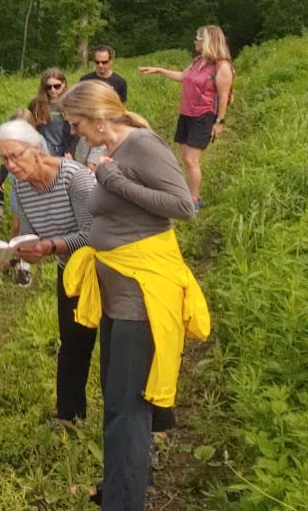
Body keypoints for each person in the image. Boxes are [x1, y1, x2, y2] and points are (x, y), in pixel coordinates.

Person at [56, 81, 210, 511]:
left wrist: (111, 178)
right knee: (117, 399)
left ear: (100, 117)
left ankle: (124, 502)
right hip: (116, 294)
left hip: (141, 297)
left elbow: (182, 206)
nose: (76, 133)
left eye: (77, 124)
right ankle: (119, 486)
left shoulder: (141, 146)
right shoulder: (113, 149)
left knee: (128, 408)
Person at [0, 119, 97, 422]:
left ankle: (143, 427)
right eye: (3, 158)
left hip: (107, 270)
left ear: (37, 149)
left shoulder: (75, 178)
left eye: (16, 155)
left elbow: (94, 233)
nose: (10, 165)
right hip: (71, 270)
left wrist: (50, 246)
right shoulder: (21, 185)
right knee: (72, 343)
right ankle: (70, 417)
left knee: (119, 352)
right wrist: (14, 257)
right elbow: (28, 235)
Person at [138, 25, 234, 209]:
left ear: (207, 41)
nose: (195, 41)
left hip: (203, 116)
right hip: (186, 114)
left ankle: (194, 200)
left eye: (198, 38)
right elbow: (183, 76)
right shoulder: (198, 61)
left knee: (191, 160)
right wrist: (159, 70)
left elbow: (223, 96)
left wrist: (219, 122)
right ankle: (188, 194)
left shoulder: (222, 67)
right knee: (184, 157)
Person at [28, 68, 77, 158]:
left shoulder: (70, 104)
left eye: (56, 86)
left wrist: (70, 150)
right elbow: (29, 127)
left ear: (64, 84)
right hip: (43, 147)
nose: (53, 90)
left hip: (64, 148)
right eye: (49, 87)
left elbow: (76, 131)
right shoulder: (36, 104)